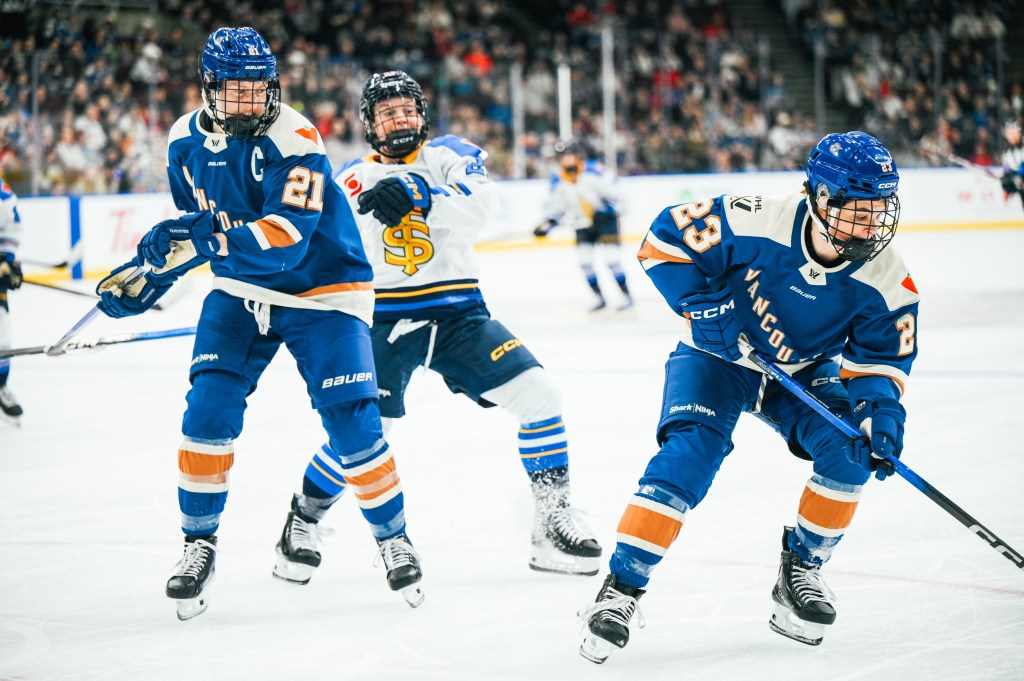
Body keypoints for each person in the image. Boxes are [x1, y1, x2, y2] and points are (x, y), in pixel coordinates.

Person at [94, 27, 423, 619]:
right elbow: (201, 223)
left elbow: (287, 241)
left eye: (257, 91)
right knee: (207, 412)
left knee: (352, 421)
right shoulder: (181, 141)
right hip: (239, 292)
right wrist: (155, 275)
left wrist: (203, 240)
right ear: (208, 90)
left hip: (323, 292)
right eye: (234, 93)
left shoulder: (295, 137)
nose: (249, 103)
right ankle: (199, 545)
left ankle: (392, 536)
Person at [577, 131, 919, 663]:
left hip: (802, 373)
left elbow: (879, 362)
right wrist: (701, 305)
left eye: (880, 208)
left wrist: (880, 414)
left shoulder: (887, 277)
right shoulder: (752, 217)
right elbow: (663, 241)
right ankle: (621, 588)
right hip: (715, 359)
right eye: (860, 209)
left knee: (850, 450)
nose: (873, 224)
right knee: (690, 454)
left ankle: (801, 569)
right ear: (821, 198)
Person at [273, 70, 602, 584]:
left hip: (458, 315)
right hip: (382, 318)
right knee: (360, 433)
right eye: (386, 113)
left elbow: (480, 209)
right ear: (368, 124)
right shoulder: (347, 178)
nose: (398, 118)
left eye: (407, 109)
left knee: (541, 396)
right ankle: (302, 520)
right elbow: (330, 246)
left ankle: (551, 519)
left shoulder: (449, 155)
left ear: (422, 116)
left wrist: (421, 195)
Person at [533, 141, 633, 311]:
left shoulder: (596, 171)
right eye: (563, 156)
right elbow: (557, 208)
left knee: (612, 259)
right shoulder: (557, 179)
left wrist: (605, 211)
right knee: (584, 262)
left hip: (605, 222)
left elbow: (617, 196)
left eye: (570, 154)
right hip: (581, 224)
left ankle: (626, 296)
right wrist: (548, 223)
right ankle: (599, 298)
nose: (567, 159)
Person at [0, 176, 24, 425]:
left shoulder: (2, 193)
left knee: (2, 332)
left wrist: (8, 259)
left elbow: (11, 226)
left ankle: (0, 387)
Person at [1000, 117, 1024, 210]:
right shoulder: (1006, 153)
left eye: (1014, 131)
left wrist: (1019, 176)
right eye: (1009, 132)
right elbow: (1008, 172)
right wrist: (1006, 182)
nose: (1012, 135)